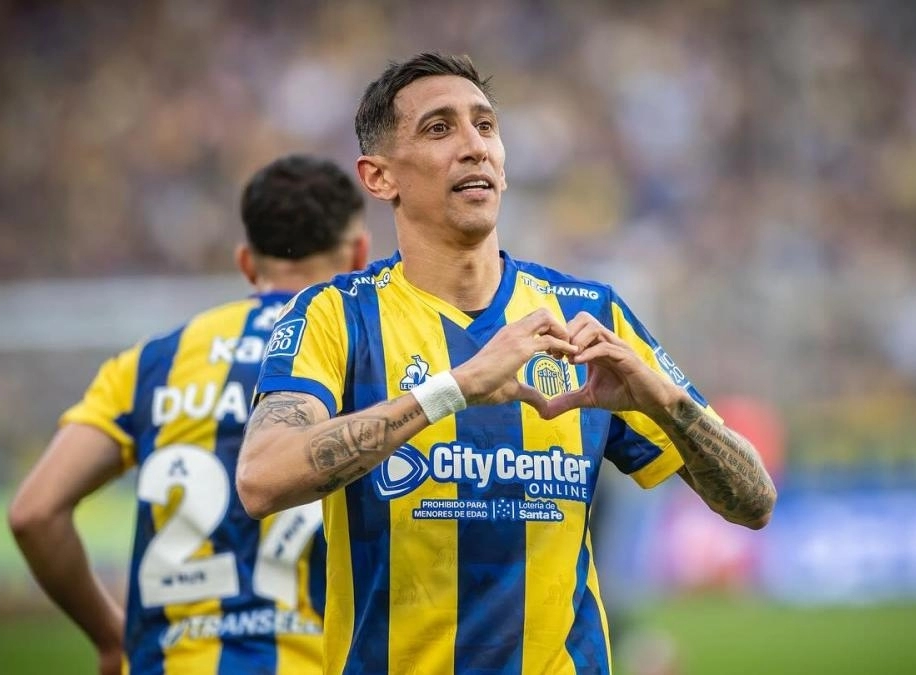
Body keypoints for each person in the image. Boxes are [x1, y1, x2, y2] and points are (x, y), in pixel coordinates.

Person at [237, 53, 777, 674]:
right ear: (379, 177)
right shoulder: (337, 316)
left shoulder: (588, 314)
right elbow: (261, 478)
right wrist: (455, 388)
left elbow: (753, 502)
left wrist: (670, 404)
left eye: (486, 126)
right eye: (439, 129)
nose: (474, 146)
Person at [8, 154, 368, 675]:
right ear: (359, 255)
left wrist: (112, 640)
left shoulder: (153, 363)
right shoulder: (367, 360)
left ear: (246, 262)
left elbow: (33, 514)